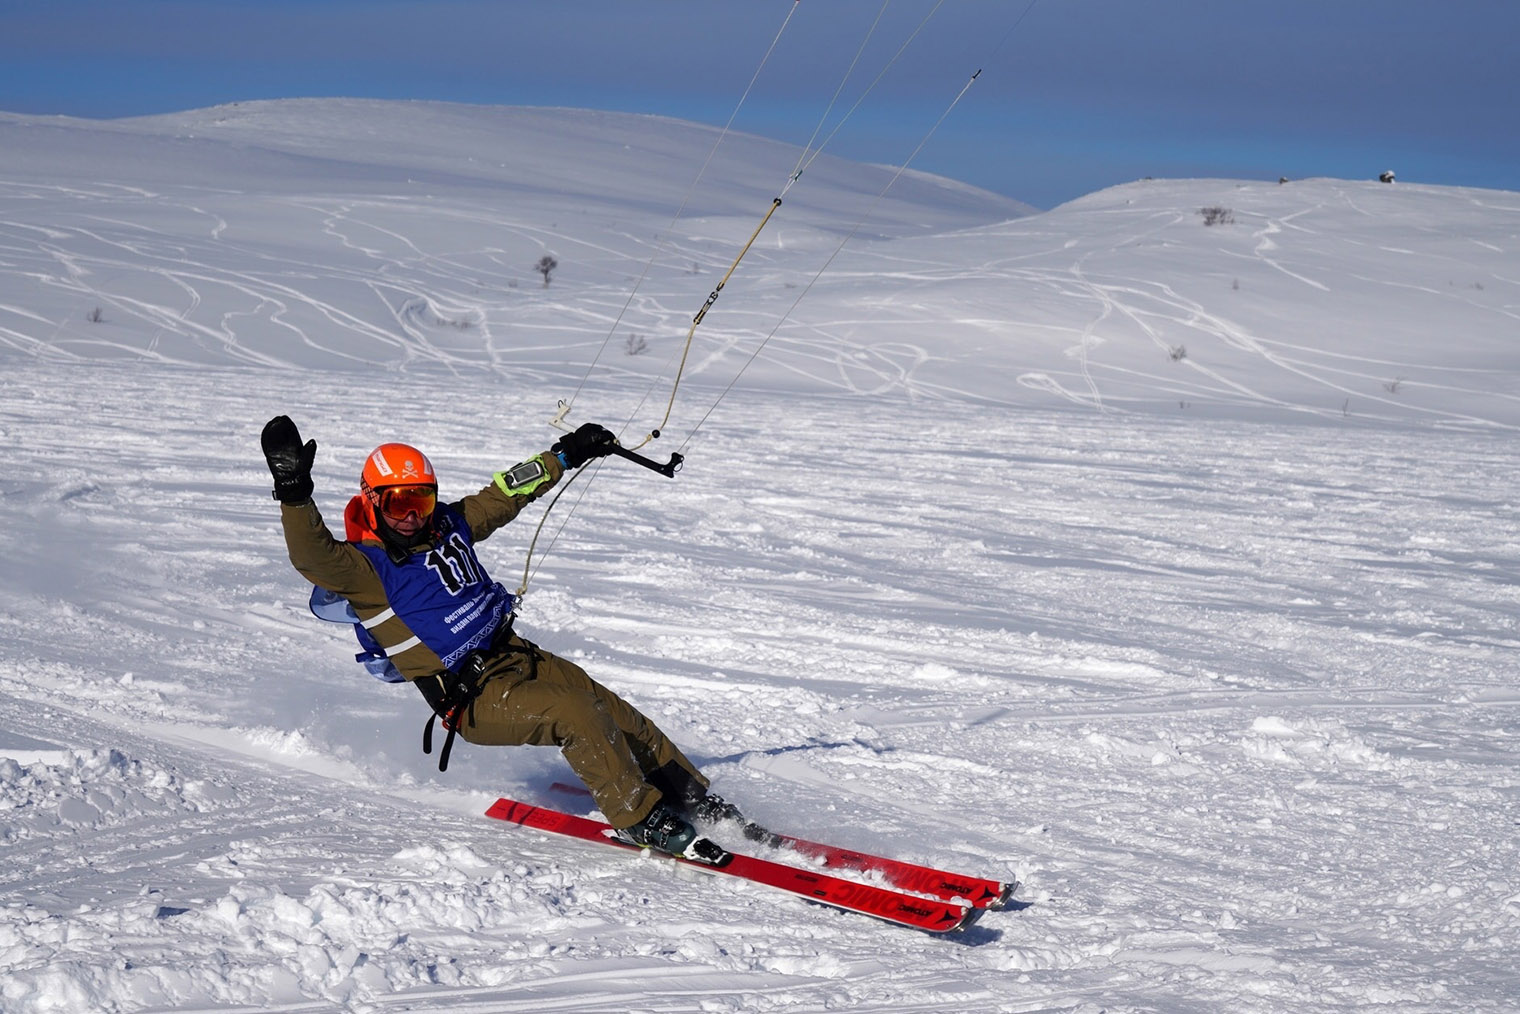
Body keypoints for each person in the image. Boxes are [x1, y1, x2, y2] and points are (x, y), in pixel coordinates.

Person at [259, 414, 738, 861]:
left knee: (618, 714)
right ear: (372, 501)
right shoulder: (364, 568)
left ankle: (691, 797)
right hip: (471, 695)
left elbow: (505, 493)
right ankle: (639, 819)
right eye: (398, 504)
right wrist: (294, 492)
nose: (412, 517)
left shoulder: (448, 524)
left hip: (514, 654)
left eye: (421, 501)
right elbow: (311, 555)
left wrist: (566, 453)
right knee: (579, 715)